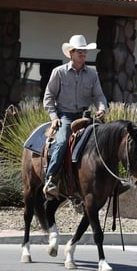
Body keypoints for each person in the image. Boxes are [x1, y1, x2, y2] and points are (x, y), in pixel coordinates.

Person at [42, 34, 108, 198]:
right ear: (71, 53)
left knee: (106, 141)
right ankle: (51, 179)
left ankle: (107, 181)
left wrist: (101, 108)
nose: (83, 54)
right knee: (62, 142)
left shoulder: (92, 74)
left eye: (85, 51)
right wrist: (54, 117)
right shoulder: (59, 72)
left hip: (85, 116)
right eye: (80, 51)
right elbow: (48, 97)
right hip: (65, 116)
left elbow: (99, 95)